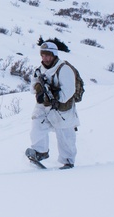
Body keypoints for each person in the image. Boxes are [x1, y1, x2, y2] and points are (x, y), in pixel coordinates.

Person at [26, 41, 80, 169]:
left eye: (48, 55)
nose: (45, 58)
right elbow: (32, 88)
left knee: (65, 134)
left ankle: (68, 160)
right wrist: (39, 89)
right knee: (37, 124)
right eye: (43, 55)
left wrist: (55, 96)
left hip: (63, 108)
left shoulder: (64, 69)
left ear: (54, 55)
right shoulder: (39, 70)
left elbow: (69, 91)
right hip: (44, 106)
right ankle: (40, 152)